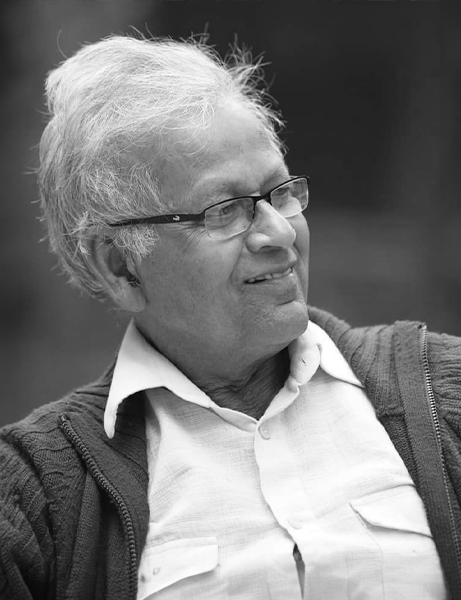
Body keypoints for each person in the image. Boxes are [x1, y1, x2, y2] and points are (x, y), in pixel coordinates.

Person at [0, 33, 460, 600]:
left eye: (280, 193)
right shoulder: (36, 498)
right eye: (226, 211)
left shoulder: (443, 391)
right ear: (120, 266)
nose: (279, 232)